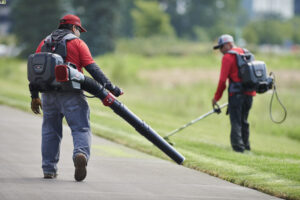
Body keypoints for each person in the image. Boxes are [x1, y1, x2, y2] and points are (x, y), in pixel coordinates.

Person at [29, 14, 122, 181]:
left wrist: (34, 96)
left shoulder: (44, 42)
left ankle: (49, 169)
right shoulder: (77, 43)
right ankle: (80, 154)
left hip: (48, 96)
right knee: (81, 128)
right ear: (74, 28)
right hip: (72, 94)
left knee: (50, 131)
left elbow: (36, 71)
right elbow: (93, 69)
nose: (80, 33)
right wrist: (111, 88)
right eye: (79, 30)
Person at [212, 34, 256, 153]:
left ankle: (238, 148)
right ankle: (246, 147)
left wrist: (216, 98)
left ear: (228, 44)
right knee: (244, 121)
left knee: (236, 121)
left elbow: (222, 81)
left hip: (236, 95)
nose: (220, 50)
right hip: (250, 94)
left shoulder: (228, 57)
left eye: (221, 47)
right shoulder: (247, 53)